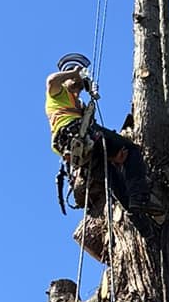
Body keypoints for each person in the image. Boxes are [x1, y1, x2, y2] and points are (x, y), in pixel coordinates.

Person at [45, 57, 155, 223]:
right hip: (71, 135)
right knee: (131, 149)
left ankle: (139, 220)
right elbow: (51, 80)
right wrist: (74, 72)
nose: (77, 81)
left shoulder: (81, 106)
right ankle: (139, 198)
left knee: (111, 175)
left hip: (83, 145)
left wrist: (112, 157)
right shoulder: (58, 94)